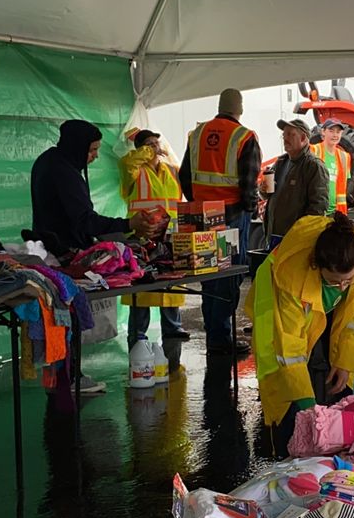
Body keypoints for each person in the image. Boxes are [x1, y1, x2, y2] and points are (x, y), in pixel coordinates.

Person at [247, 213, 354, 450]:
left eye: (348, 280)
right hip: (276, 300)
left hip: (322, 305)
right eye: (334, 281)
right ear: (316, 266)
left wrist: (345, 361)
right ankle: (284, 446)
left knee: (332, 378)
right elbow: (290, 348)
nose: (342, 287)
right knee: (284, 385)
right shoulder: (291, 276)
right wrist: (309, 408)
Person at [179, 89, 262, 356]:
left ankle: (215, 332)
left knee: (208, 273)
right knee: (231, 272)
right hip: (233, 216)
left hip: (201, 216)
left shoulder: (198, 134)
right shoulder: (244, 136)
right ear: (239, 109)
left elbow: (184, 174)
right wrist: (251, 208)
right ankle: (220, 337)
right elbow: (249, 180)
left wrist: (199, 203)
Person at [30, 119, 150, 256]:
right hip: (63, 252)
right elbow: (85, 221)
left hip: (49, 246)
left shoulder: (47, 160)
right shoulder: (64, 172)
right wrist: (129, 224)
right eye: (93, 150)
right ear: (78, 146)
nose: (96, 155)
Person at [119, 128, 188, 343]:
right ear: (140, 149)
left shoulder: (172, 170)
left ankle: (173, 328)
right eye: (149, 145)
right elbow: (126, 163)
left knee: (171, 282)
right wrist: (147, 153)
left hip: (169, 235)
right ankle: (137, 333)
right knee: (141, 286)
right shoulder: (134, 171)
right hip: (142, 235)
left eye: (156, 144)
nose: (155, 148)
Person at [262, 119, 329, 244]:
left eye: (290, 134)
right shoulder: (281, 162)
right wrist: (263, 190)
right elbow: (267, 194)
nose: (285, 139)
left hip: (296, 241)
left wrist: (301, 236)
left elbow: (318, 209)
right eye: (284, 135)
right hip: (273, 238)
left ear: (303, 138)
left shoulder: (313, 166)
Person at [310, 118, 353, 214]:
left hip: (337, 212)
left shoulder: (345, 157)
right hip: (316, 211)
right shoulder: (313, 151)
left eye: (338, 132)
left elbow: (343, 185)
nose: (335, 135)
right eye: (331, 131)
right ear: (323, 132)